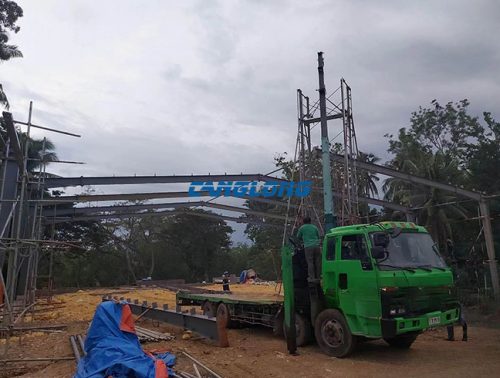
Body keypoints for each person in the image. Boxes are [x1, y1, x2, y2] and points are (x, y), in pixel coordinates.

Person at [296, 216, 321, 282]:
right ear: (310, 221)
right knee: (318, 262)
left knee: (310, 262)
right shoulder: (314, 227)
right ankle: (318, 277)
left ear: (303, 222)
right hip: (317, 246)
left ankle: (311, 278)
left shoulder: (302, 228)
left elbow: (298, 237)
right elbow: (318, 237)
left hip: (308, 247)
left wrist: (303, 239)